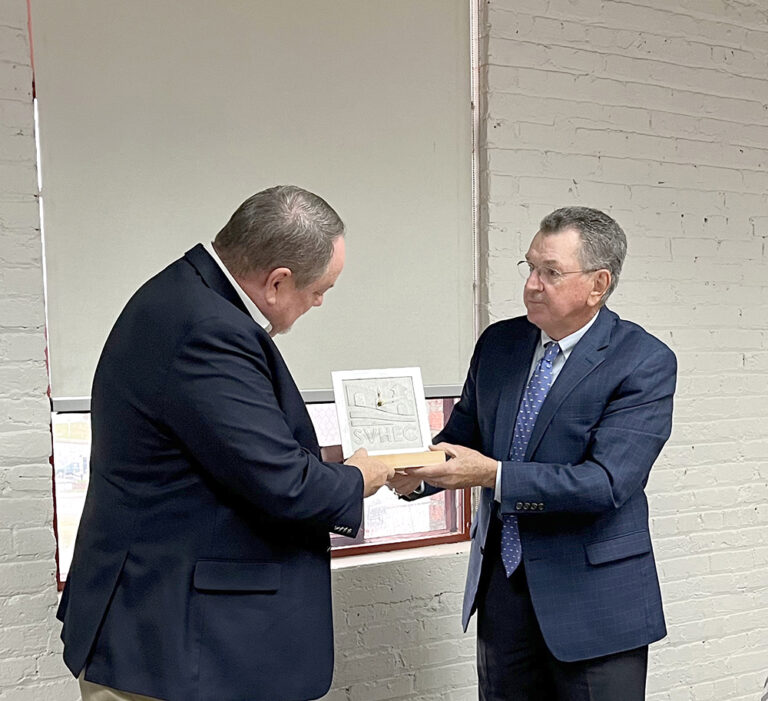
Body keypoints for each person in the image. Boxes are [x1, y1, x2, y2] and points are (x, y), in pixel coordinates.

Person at [57, 185, 394, 701]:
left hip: (163, 626)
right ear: (278, 281)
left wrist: (331, 461)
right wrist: (359, 478)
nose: (321, 302)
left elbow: (223, 452)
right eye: (320, 289)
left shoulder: (182, 295)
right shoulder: (209, 330)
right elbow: (283, 484)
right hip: (174, 644)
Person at [392, 207, 677, 700]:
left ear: (598, 284)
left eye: (551, 272)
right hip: (504, 594)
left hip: (595, 604)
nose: (532, 285)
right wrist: (411, 472)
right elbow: (461, 441)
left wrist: (494, 476)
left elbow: (606, 483)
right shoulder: (499, 344)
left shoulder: (644, 361)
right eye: (529, 268)